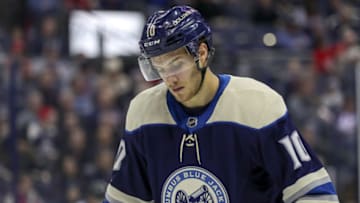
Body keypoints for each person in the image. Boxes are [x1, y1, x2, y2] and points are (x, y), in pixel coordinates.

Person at [103, 5, 339, 203]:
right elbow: (122, 199)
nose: (169, 78)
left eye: (175, 64)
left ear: (202, 54)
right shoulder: (143, 111)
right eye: (160, 68)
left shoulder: (258, 105)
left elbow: (315, 194)